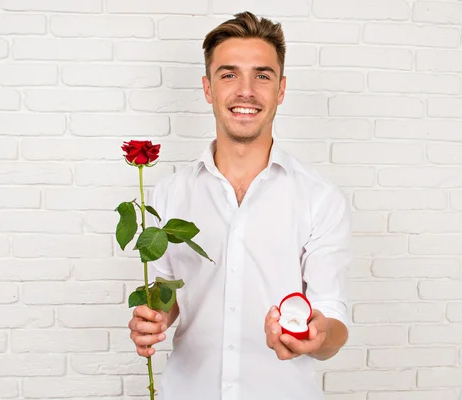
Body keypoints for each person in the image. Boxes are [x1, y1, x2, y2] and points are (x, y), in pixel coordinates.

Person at [128, 11, 352, 400]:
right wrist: (155, 318)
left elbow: (333, 323)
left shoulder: (320, 198)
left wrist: (317, 335)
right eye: (229, 74)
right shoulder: (168, 195)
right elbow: (168, 296)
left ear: (280, 90)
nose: (246, 90)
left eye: (262, 75)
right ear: (208, 88)